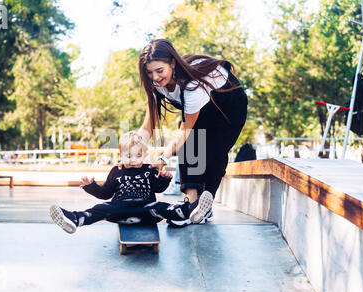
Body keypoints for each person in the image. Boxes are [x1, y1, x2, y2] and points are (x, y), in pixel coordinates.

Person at [137, 39, 248, 226]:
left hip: (230, 107)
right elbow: (149, 123)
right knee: (191, 146)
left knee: (213, 150)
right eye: (149, 72)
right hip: (203, 108)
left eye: (159, 71)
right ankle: (191, 206)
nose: (155, 77)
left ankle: (204, 203)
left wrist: (163, 158)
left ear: (172, 63)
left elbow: (185, 131)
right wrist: (134, 147)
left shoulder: (191, 85)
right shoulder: (156, 85)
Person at [49, 131, 213, 233]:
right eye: (128, 156)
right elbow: (105, 193)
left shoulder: (149, 169)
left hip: (147, 209)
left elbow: (158, 188)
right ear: (120, 155)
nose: (133, 160)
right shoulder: (117, 171)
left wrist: (164, 179)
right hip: (119, 209)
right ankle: (74, 219)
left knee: (162, 207)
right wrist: (90, 187)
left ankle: (191, 210)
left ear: (145, 155)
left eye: (138, 156)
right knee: (101, 208)